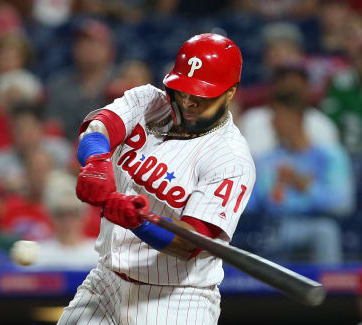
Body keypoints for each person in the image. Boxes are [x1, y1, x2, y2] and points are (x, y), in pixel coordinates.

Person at [59, 33, 256, 324]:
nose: (188, 101)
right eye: (183, 90)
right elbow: (99, 125)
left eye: (201, 96)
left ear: (230, 92)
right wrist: (96, 159)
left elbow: (189, 243)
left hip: (176, 298)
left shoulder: (231, 159)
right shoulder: (149, 101)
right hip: (106, 280)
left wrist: (138, 221)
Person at [247, 90, 354, 264]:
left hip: (318, 224)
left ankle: (332, 290)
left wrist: (304, 186)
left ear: (297, 117)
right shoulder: (267, 161)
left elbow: (342, 204)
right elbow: (255, 202)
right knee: (265, 234)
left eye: (278, 117)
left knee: (325, 231)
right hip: (276, 228)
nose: (273, 125)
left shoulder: (330, 157)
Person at [35, 171, 98, 269]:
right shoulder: (39, 254)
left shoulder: (98, 254)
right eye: (60, 214)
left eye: (73, 213)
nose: (67, 221)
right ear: (51, 217)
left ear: (83, 216)